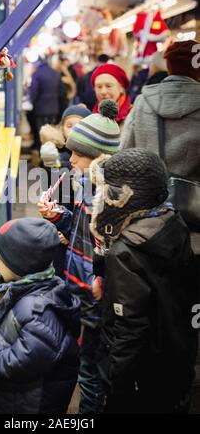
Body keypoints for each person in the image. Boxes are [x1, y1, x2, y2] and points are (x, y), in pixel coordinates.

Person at [90, 148, 199, 413]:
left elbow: (128, 333)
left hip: (141, 381)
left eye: (106, 192)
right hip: (176, 363)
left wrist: (116, 390)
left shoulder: (125, 254)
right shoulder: (172, 220)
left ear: (122, 198)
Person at [38, 100, 121, 414]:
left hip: (97, 296)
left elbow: (111, 248)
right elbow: (80, 230)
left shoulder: (111, 195)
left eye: (77, 154)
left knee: (91, 372)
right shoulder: (85, 184)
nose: (70, 159)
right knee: (83, 364)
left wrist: (100, 279)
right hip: (79, 287)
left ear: (99, 157)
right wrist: (58, 217)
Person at [0, 217, 81, 414]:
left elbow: (13, 363)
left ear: (18, 266)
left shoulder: (41, 314)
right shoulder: (22, 288)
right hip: (13, 399)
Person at [121, 40, 200, 254]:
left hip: (145, 220)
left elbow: (124, 154)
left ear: (168, 65)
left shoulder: (143, 102)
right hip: (192, 220)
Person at [39, 104, 92, 277]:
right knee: (60, 266)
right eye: (70, 126)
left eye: (80, 125)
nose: (74, 130)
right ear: (62, 129)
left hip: (78, 227)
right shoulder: (55, 152)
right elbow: (51, 188)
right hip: (59, 221)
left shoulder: (89, 159)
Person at [29, 56, 61, 153]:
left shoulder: (37, 74)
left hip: (40, 108)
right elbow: (60, 91)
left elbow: (33, 91)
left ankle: (42, 156)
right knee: (52, 133)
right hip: (54, 107)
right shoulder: (55, 73)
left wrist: (31, 101)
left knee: (42, 133)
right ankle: (53, 155)